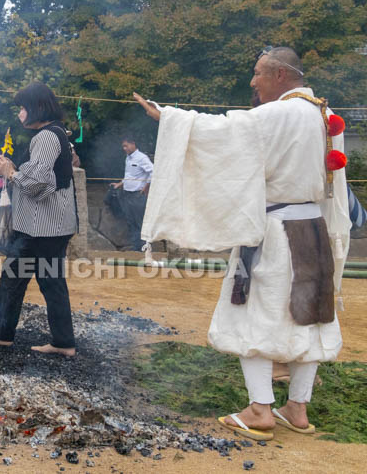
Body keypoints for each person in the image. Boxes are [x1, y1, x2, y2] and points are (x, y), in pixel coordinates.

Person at [134, 47, 350, 440]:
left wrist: (169, 117)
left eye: (258, 73)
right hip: (314, 229)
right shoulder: (323, 114)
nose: (253, 81)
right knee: (310, 314)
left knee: (254, 315)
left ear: (281, 75)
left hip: (276, 232)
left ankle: (260, 410)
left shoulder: (280, 113)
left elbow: (225, 132)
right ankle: (296, 409)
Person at [0, 82, 78, 356]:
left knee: (12, 276)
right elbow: (46, 177)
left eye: (22, 108)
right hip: (57, 225)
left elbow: (36, 184)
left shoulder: (44, 137)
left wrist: (10, 172)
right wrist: (13, 170)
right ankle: (63, 342)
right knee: (52, 282)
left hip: (39, 227)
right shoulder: (58, 135)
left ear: (36, 108)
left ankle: (1, 333)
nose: (20, 113)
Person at [110, 134, 153, 252]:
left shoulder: (142, 158)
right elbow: (129, 176)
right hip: (127, 194)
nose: (124, 148)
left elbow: (153, 172)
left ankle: (145, 248)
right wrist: (119, 184)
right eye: (123, 146)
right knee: (131, 221)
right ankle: (136, 247)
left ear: (133, 144)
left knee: (140, 222)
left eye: (126, 146)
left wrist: (147, 187)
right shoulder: (128, 158)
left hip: (138, 195)